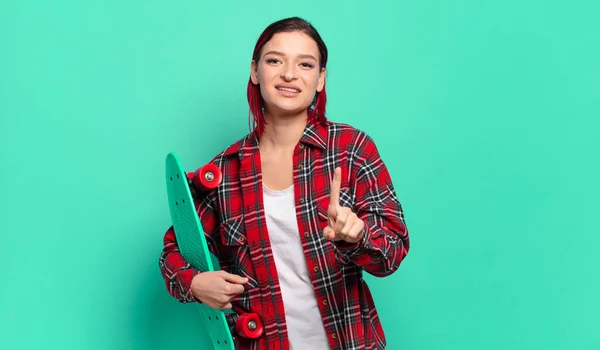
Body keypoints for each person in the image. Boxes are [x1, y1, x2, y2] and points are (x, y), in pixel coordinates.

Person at [159, 16, 410, 350]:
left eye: (305, 64)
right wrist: (196, 284)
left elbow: (392, 252)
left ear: (320, 79)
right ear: (254, 71)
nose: (289, 74)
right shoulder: (224, 171)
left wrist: (358, 237)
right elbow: (173, 252)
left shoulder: (351, 149)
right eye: (274, 60)